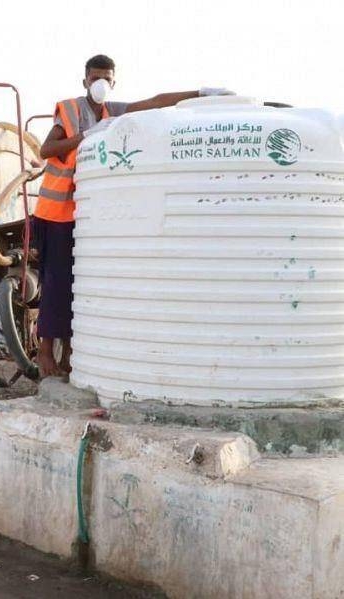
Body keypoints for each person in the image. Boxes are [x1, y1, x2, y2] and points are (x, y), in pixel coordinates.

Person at [34, 54, 232, 377]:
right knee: (56, 283)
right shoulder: (70, 110)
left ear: (113, 82)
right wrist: (85, 136)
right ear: (85, 80)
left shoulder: (115, 112)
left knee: (78, 285)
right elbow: (46, 149)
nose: (100, 83)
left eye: (106, 78)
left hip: (84, 215)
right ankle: (45, 355)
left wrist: (200, 94)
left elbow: (154, 102)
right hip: (55, 212)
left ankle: (71, 355)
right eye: (95, 77)